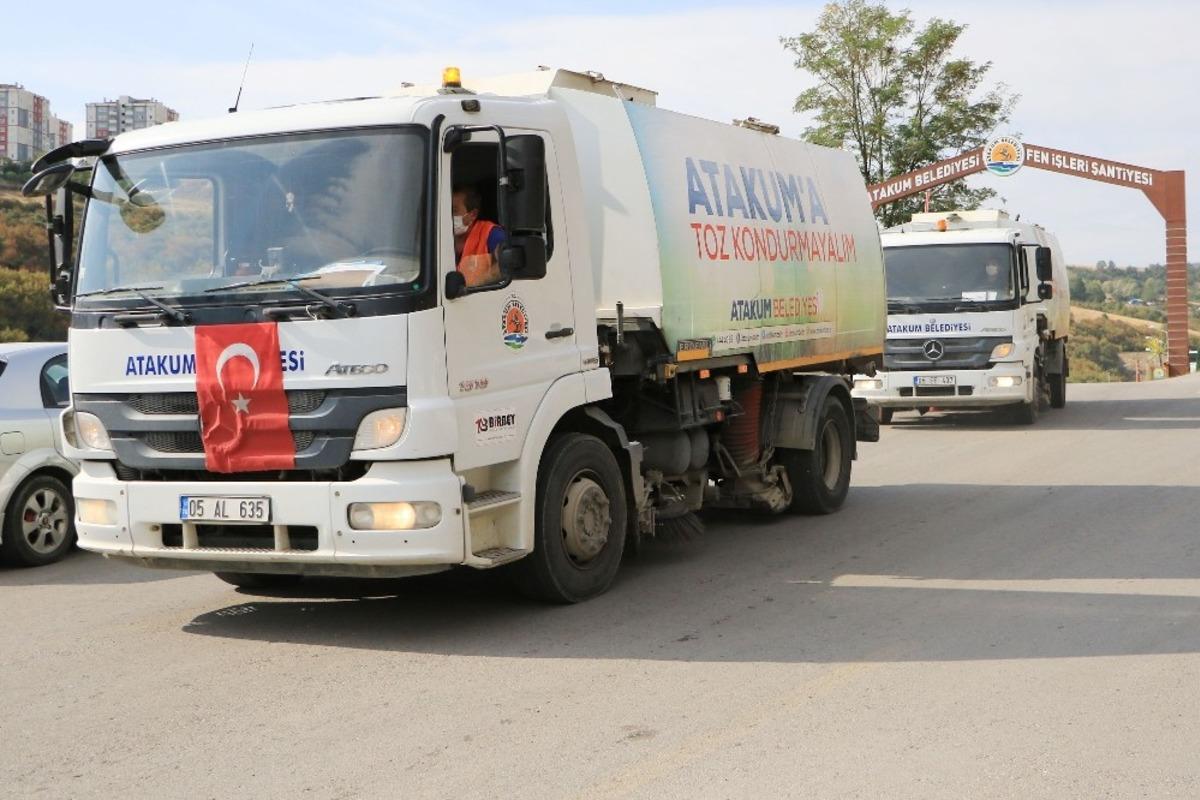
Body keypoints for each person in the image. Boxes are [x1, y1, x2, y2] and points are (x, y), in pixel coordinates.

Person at [453, 186, 506, 286]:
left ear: (473, 214)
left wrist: (480, 282)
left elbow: (508, 263)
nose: (450, 216)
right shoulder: (438, 237)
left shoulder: (491, 234)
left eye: (454, 211)